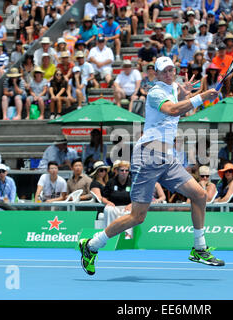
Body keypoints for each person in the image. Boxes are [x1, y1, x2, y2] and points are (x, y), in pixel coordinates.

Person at [78, 56, 223, 276]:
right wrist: (201, 96)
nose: (168, 74)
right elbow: (173, 110)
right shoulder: (155, 92)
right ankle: (91, 246)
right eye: (164, 71)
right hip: (149, 155)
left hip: (168, 157)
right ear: (154, 74)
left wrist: (186, 94)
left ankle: (199, 248)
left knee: (200, 195)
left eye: (171, 70)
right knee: (137, 216)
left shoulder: (173, 86)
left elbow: (183, 106)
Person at [98, 160, 133, 237]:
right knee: (108, 209)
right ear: (117, 171)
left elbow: (137, 199)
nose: (124, 172)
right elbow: (103, 198)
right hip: (114, 206)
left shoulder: (132, 182)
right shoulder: (111, 182)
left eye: (126, 170)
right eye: (122, 170)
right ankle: (109, 235)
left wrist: (131, 205)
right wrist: (108, 202)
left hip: (128, 207)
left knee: (128, 213)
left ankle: (127, 236)